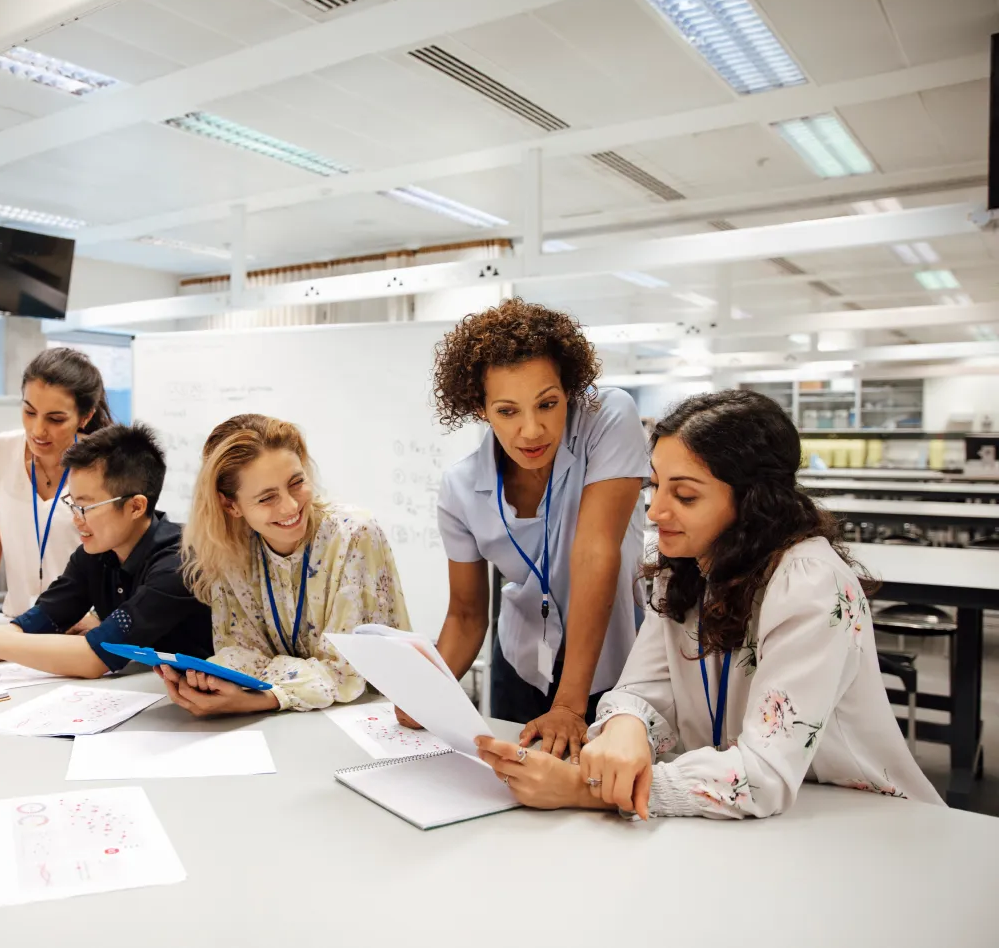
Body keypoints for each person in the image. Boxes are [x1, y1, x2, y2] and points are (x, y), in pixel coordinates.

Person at [473, 390, 944, 818]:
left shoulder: (809, 584)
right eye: (654, 486)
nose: (656, 512)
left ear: (752, 501)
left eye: (685, 495)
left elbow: (763, 775)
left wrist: (585, 787)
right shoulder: (686, 566)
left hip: (860, 821)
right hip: (740, 824)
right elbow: (642, 689)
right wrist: (625, 725)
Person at [423, 300, 649, 757]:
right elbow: (466, 616)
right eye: (507, 411)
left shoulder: (607, 419)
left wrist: (569, 704)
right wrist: (426, 696)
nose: (531, 430)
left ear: (569, 388)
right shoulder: (461, 487)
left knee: (598, 798)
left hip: (614, 659)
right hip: (522, 663)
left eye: (547, 403)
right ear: (479, 408)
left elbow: (595, 552)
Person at [0, 423, 211, 678]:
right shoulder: (96, 553)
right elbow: (26, 630)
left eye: (85, 506)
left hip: (214, 715)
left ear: (135, 506)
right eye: (71, 503)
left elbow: (94, 657)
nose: (76, 519)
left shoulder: (178, 563)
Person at [160, 414, 411, 716]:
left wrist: (257, 697)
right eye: (267, 498)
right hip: (282, 720)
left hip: (370, 720)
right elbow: (242, 653)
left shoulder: (352, 534)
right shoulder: (231, 549)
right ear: (231, 505)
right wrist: (209, 678)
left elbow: (345, 671)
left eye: (296, 483)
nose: (290, 506)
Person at [0, 347, 113, 624]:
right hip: (16, 622)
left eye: (55, 419)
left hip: (80, 627)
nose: (38, 430)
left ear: (85, 416)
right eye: (30, 412)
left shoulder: (106, 466)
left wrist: (99, 619)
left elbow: (119, 560)